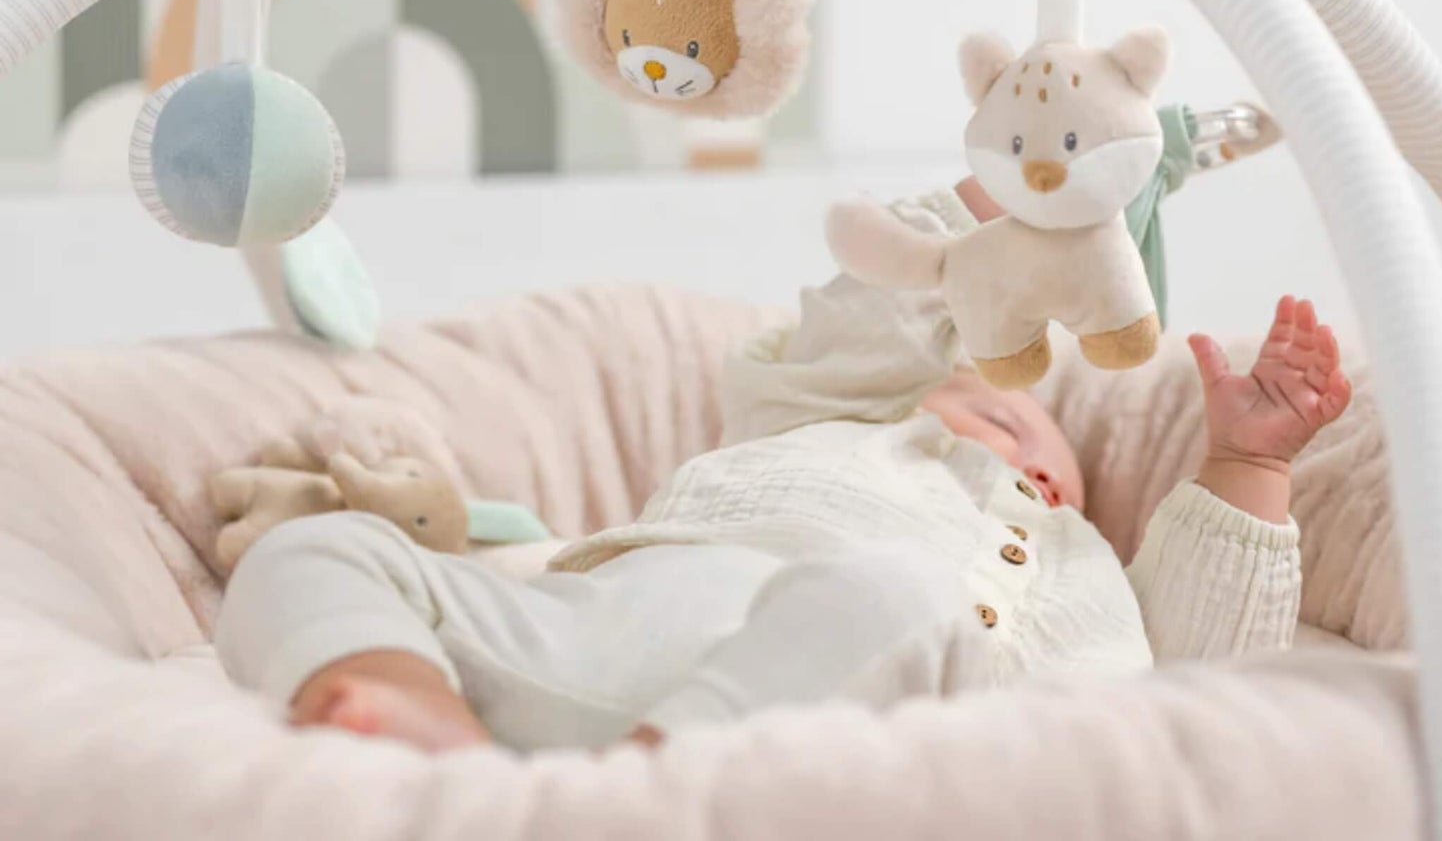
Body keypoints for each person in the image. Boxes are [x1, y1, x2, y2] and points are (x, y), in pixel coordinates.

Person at [215, 183, 1350, 753]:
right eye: (978, 406)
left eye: (1040, 444)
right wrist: (966, 228)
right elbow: (866, 326)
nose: (1015, 434)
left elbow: (1209, 671)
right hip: (604, 631)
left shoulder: (1084, 573)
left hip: (880, 703)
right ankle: (427, 730)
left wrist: (1244, 456)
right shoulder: (819, 416)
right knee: (316, 543)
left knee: (891, 594)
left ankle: (642, 798)